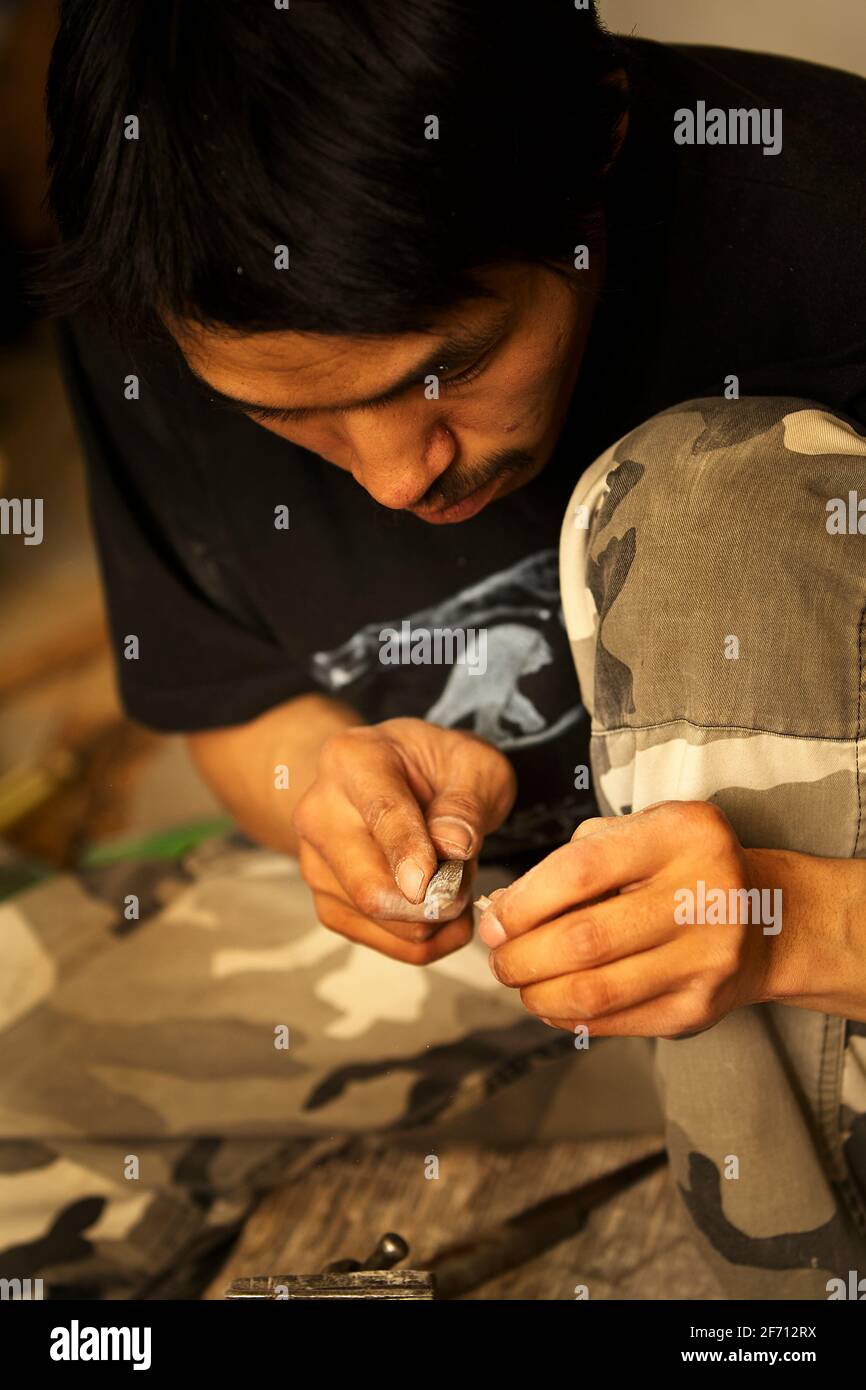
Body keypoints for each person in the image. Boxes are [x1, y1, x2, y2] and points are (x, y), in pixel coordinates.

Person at [2, 0, 865, 1298]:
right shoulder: (155, 302)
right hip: (503, 977)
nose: (396, 477)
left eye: (445, 369)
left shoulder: (831, 222)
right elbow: (231, 695)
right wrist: (330, 786)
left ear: (602, 145)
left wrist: (796, 921)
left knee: (711, 492)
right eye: (291, 418)